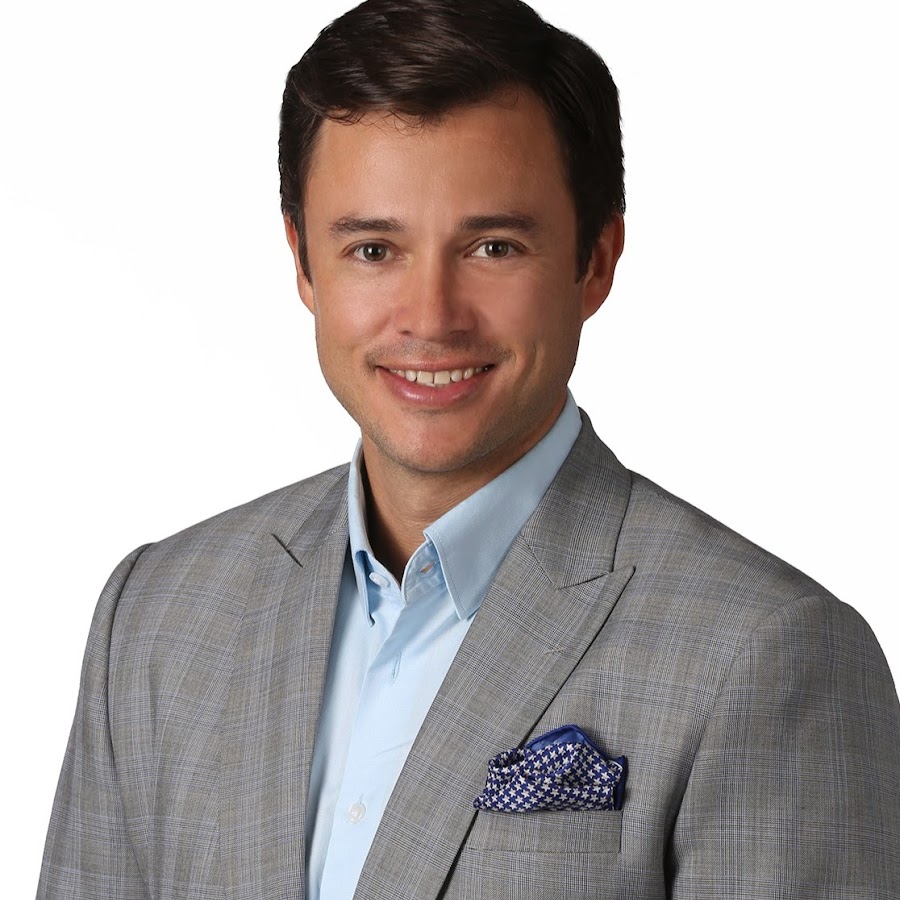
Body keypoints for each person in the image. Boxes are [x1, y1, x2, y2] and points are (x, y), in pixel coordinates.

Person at [38, 0, 899, 897]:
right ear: (302, 263)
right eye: (374, 250)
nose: (431, 317)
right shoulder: (157, 617)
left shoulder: (768, 654)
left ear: (596, 261)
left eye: (493, 246)